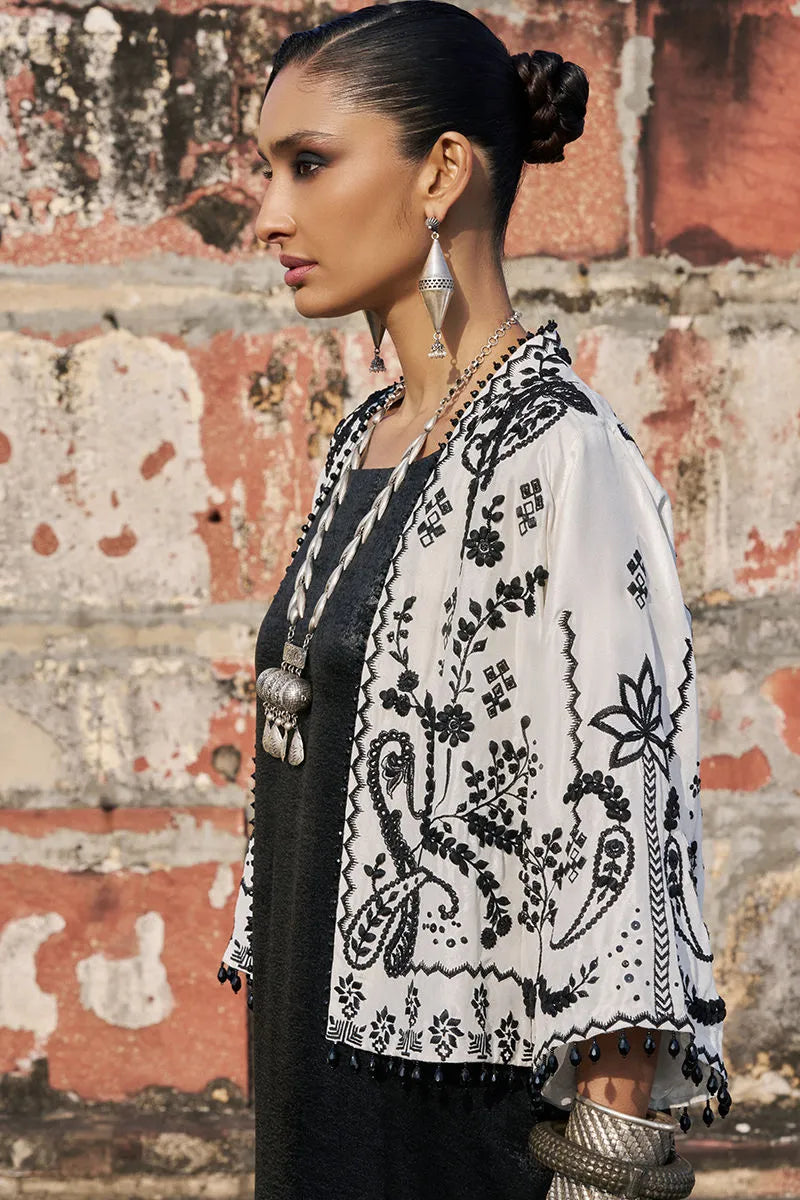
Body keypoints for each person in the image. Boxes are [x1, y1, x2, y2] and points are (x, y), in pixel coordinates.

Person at [217, 3, 732, 1198]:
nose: (270, 215)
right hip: (317, 1105)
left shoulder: (562, 461)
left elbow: (621, 841)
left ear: (442, 170)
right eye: (266, 170)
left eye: (308, 164)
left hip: (456, 1139)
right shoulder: (367, 442)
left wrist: (600, 1178)